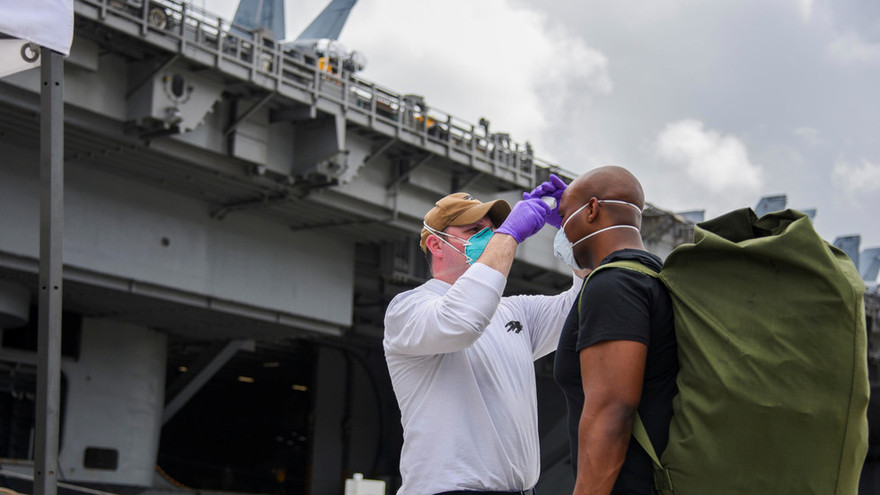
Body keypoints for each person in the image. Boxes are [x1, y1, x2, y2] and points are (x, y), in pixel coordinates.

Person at [384, 177, 588, 495]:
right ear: (436, 244)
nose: (489, 236)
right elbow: (464, 321)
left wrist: (577, 233)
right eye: (473, 230)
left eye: (492, 228)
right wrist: (509, 235)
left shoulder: (515, 311)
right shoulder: (408, 309)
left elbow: (584, 307)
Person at [552, 166, 678, 495]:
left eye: (564, 217)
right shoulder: (655, 278)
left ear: (591, 210)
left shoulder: (614, 284)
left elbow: (612, 411)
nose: (562, 231)